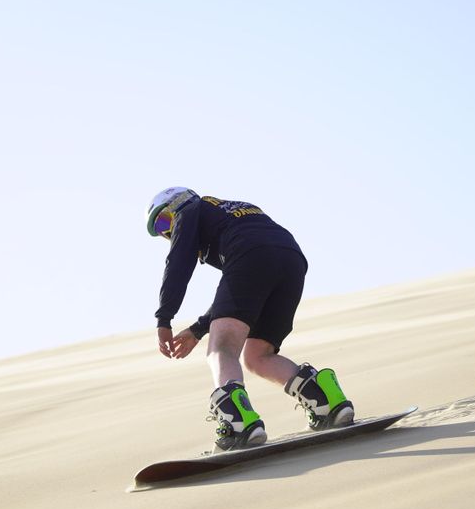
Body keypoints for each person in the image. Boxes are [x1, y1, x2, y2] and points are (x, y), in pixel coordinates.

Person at [146, 187, 355, 451]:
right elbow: (245, 286)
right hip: (291, 260)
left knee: (221, 350)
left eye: (164, 222)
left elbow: (178, 262)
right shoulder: (232, 210)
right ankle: (328, 401)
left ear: (178, 205)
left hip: (252, 257)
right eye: (160, 232)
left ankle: (239, 426)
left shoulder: (189, 211)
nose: (167, 233)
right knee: (257, 355)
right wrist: (198, 329)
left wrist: (164, 318)